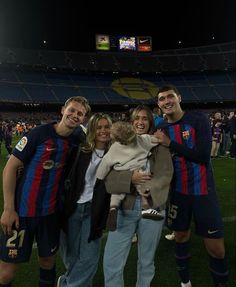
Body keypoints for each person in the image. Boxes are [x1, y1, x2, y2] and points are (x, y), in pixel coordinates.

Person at [0, 96, 91, 287]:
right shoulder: (38, 134)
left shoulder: (78, 139)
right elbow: (9, 168)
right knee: (6, 273)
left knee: (48, 262)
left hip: (50, 214)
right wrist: (9, 209)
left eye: (80, 113)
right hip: (21, 214)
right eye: (72, 110)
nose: (75, 115)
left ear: (83, 119)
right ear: (62, 110)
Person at [155, 85, 229, 287]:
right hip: (179, 194)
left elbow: (203, 156)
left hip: (203, 192)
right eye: (162, 99)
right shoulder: (160, 128)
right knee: (180, 236)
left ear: (179, 98)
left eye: (170, 96)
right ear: (159, 105)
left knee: (216, 249)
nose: (167, 101)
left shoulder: (197, 119)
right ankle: (185, 282)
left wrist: (170, 144)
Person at [103, 105, 173, 287]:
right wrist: (130, 178)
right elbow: (108, 180)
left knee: (147, 260)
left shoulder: (158, 145)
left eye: (144, 119)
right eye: (137, 118)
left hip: (153, 207)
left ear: (150, 122)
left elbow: (166, 174)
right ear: (131, 122)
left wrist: (149, 187)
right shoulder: (118, 145)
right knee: (112, 261)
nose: (140, 122)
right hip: (124, 208)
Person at [57, 113, 112, 287]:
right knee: (71, 255)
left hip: (95, 210)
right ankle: (68, 279)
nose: (103, 131)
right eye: (99, 127)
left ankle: (67, 284)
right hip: (73, 207)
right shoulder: (81, 149)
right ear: (92, 130)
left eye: (106, 127)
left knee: (89, 258)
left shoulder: (116, 153)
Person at [96, 120, 164, 231]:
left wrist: (99, 176)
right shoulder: (141, 139)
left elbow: (105, 164)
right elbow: (155, 140)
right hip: (140, 170)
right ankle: (146, 205)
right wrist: (158, 137)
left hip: (123, 171)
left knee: (117, 193)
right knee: (143, 185)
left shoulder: (114, 148)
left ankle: (113, 208)